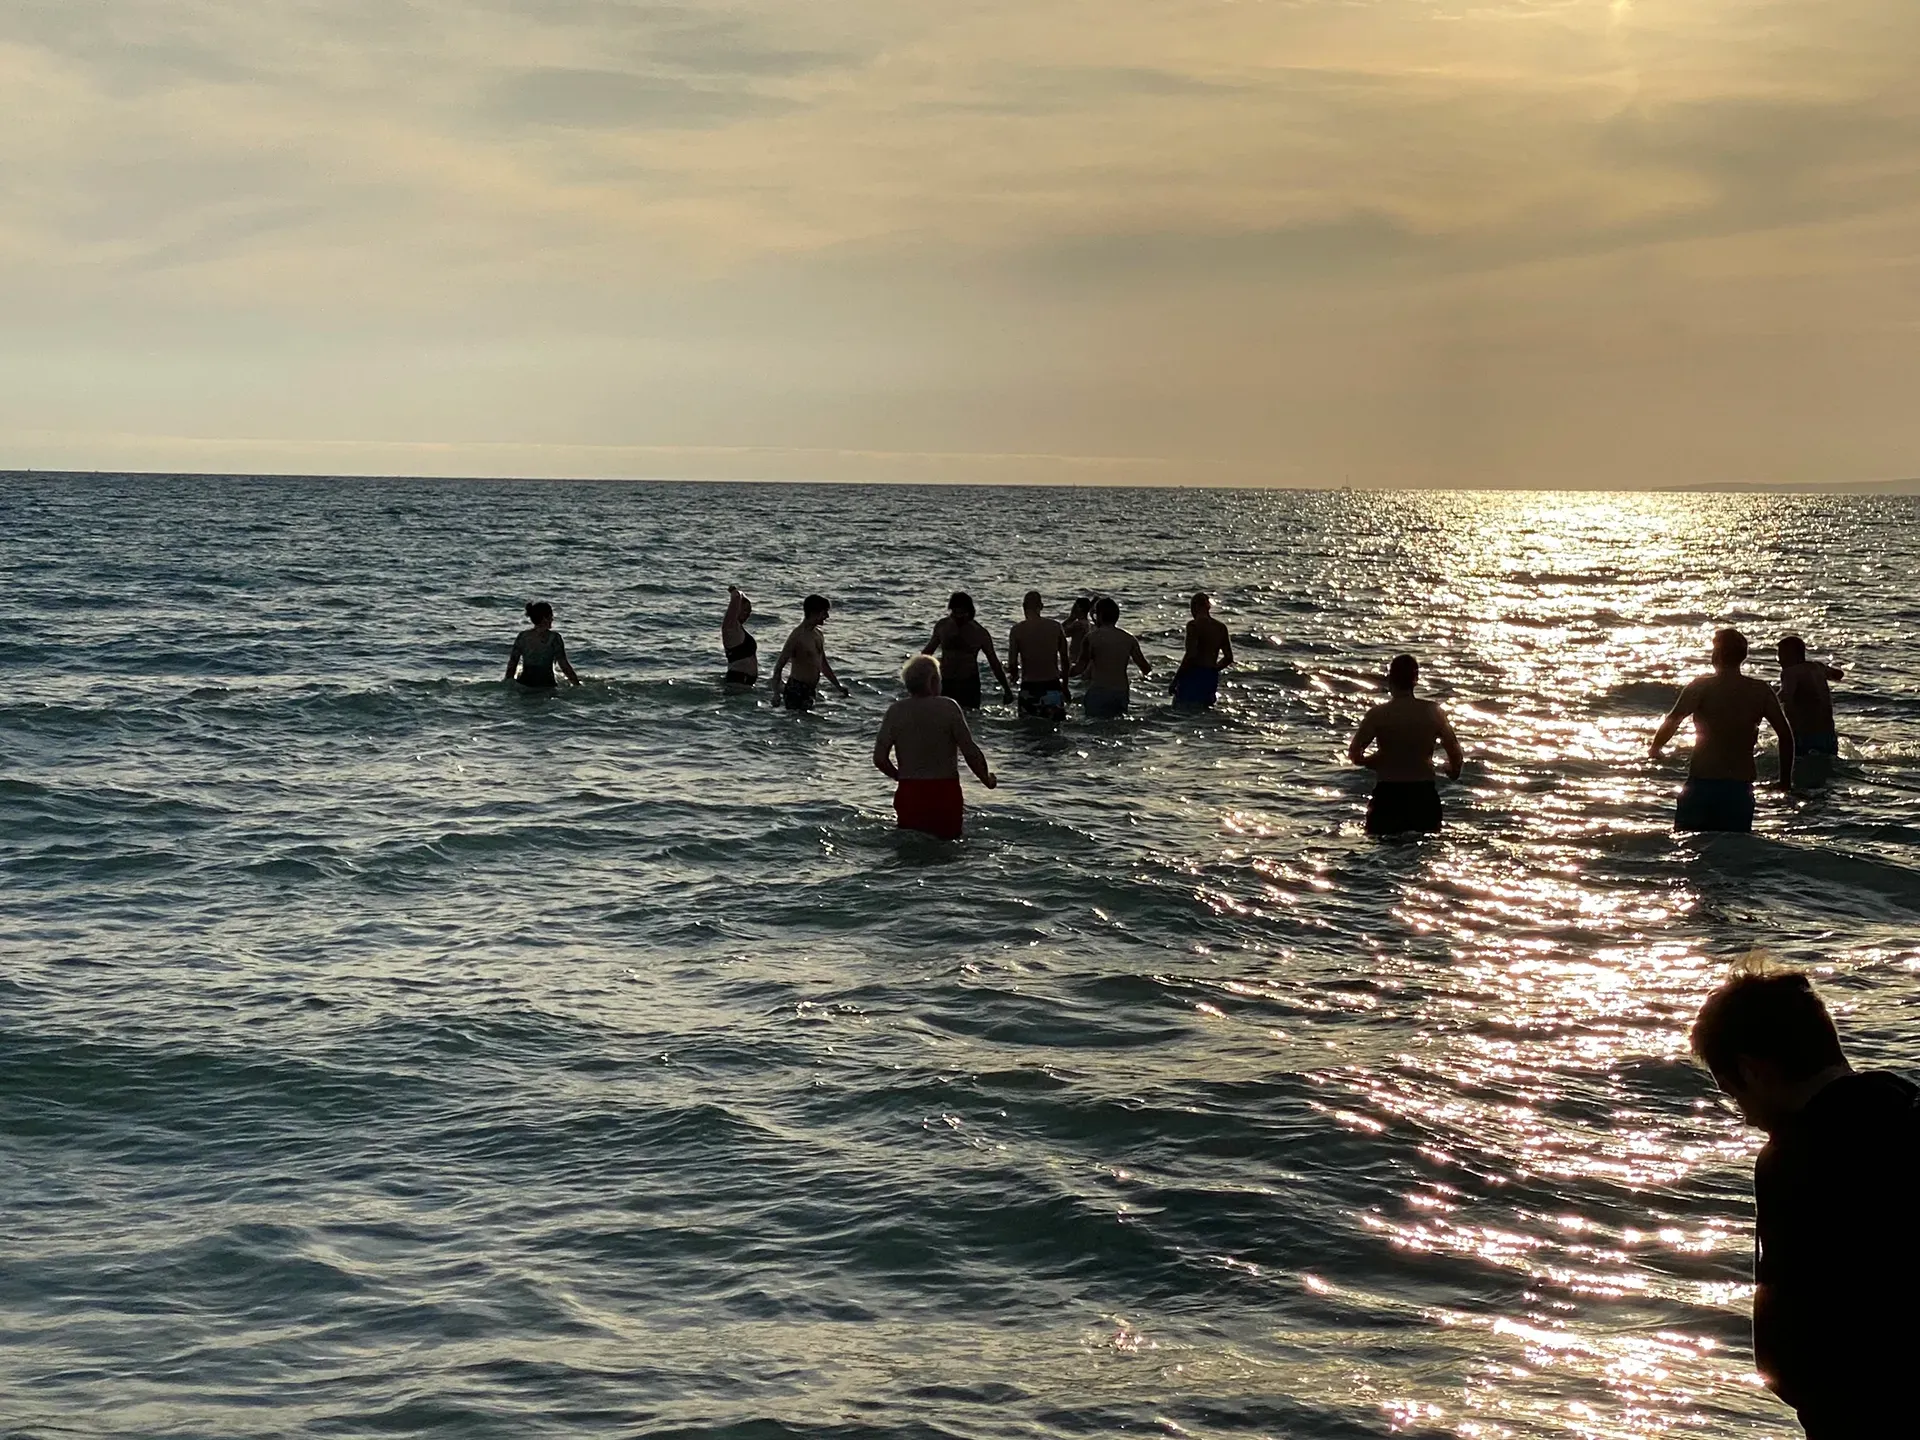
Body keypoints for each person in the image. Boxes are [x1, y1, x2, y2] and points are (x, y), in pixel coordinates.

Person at [1690, 961, 1920, 1437]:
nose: (1746, 1118)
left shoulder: (1793, 1158)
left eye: (1734, 1095)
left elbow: (1788, 1343)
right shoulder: (1906, 1102)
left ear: (1753, 1072)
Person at [1650, 628, 1794, 831]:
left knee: (1689, 847)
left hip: (1702, 784)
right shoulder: (1760, 690)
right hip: (1739, 788)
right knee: (1733, 853)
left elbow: (1673, 720)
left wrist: (1655, 748)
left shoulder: (1700, 687)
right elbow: (1785, 736)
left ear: (1716, 655)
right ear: (1743, 656)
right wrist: (1785, 780)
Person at [872, 655, 997, 839]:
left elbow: (880, 759)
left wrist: (899, 776)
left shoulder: (895, 711)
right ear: (932, 681)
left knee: (910, 848)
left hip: (910, 793)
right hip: (944, 792)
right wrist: (986, 779)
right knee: (948, 848)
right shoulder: (948, 707)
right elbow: (970, 752)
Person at [1347, 653, 1463, 835]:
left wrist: (1377, 760)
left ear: (1390, 679)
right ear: (1415, 680)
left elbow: (1355, 754)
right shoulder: (1433, 712)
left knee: (1384, 853)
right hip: (1423, 796)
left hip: (1388, 797)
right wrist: (1452, 771)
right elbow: (1455, 755)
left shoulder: (1377, 714)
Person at [922, 592, 1009, 710]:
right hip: (946, 682)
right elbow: (927, 654)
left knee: (970, 720)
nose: (957, 618)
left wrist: (1006, 689)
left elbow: (994, 662)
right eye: (954, 613)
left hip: (969, 684)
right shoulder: (943, 627)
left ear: (969, 613)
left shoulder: (979, 633)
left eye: (961, 614)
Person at [1073, 596, 1151, 719]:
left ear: (1099, 615)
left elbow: (1079, 668)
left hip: (1099, 691)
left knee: (1094, 727)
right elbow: (1145, 668)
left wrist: (1061, 674)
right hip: (1121, 692)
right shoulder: (1129, 639)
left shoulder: (1091, 638)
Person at [770, 594, 848, 712]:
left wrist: (838, 686)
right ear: (814, 613)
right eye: (824, 612)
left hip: (811, 690)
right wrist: (776, 694)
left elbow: (823, 664)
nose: (827, 616)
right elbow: (779, 666)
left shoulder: (818, 635)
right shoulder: (797, 636)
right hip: (796, 689)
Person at [1007, 590, 1071, 721]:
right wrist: (1065, 686)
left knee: (1026, 733)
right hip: (1052, 686)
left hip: (1029, 686)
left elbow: (1012, 663)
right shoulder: (1056, 627)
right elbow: (1065, 660)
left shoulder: (1017, 630)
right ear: (1041, 607)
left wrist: (1013, 677)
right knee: (1055, 732)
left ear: (1024, 607)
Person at [1777, 636, 1843, 759]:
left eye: (1780, 656)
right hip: (1828, 735)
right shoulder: (1817, 667)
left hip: (1805, 736)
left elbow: (1786, 695)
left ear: (1791, 655)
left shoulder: (1790, 672)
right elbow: (1839, 674)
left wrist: (1765, 702)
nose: (1779, 661)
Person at [1171, 592, 1234, 708]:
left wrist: (1176, 680)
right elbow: (1228, 658)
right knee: (1205, 709)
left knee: (1182, 709)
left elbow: (1191, 655)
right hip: (1210, 676)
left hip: (1193, 674)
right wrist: (1214, 669)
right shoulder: (1221, 627)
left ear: (1194, 607)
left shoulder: (1193, 626)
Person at [504, 601, 580, 688]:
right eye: (551, 616)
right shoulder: (554, 638)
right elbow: (564, 665)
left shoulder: (523, 636)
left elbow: (513, 663)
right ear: (545, 618)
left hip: (525, 683)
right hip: (546, 683)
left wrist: (507, 683)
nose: (552, 619)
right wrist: (577, 684)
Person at [722, 585, 758, 686]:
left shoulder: (739, 630)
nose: (747, 614)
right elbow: (737, 596)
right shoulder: (730, 626)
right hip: (738, 681)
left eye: (749, 612)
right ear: (737, 608)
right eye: (745, 610)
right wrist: (733, 590)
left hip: (745, 682)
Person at [1062, 597, 1093, 673]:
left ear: (1079, 608)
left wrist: (1070, 618)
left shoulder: (1078, 624)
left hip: (1076, 660)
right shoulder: (1088, 624)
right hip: (1084, 660)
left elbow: (1061, 632)